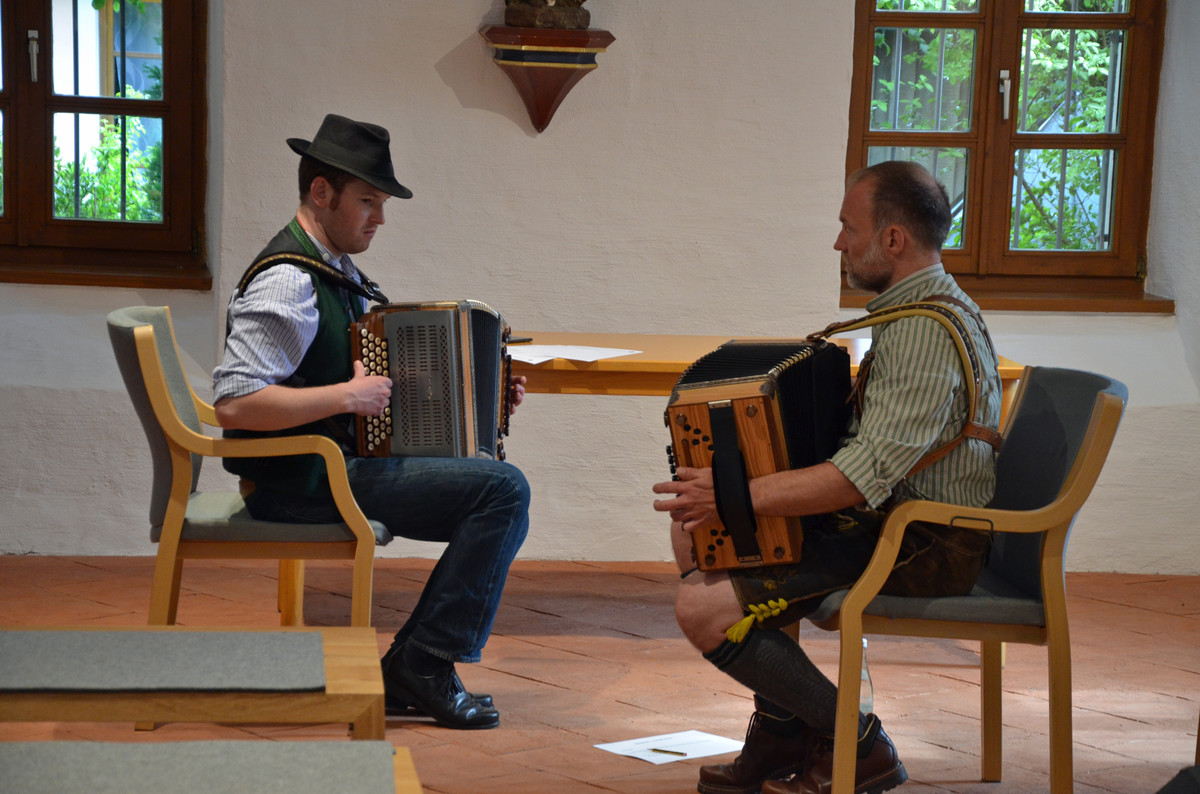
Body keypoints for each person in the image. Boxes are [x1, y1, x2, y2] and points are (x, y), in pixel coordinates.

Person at [652, 160, 1002, 794]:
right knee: (697, 538)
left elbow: (858, 478)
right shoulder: (920, 310)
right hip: (892, 522)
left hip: (920, 542)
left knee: (703, 606)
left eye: (848, 227)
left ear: (892, 239)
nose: (839, 243)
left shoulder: (922, 330)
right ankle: (783, 725)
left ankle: (859, 744)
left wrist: (734, 492)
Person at [213, 113, 531, 731]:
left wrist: (484, 401)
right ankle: (424, 666)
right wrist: (344, 397)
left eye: (382, 204)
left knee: (491, 482)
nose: (379, 219)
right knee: (502, 492)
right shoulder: (288, 281)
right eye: (368, 201)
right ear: (321, 192)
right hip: (302, 481)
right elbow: (235, 402)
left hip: (334, 466)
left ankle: (417, 665)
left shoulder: (332, 267)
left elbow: (357, 379)